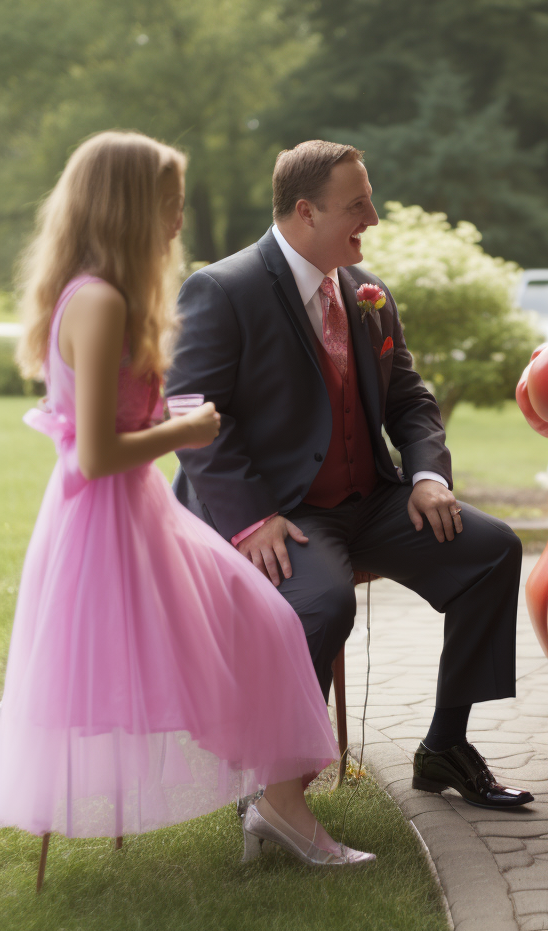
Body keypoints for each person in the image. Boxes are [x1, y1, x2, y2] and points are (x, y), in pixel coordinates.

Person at [0, 130, 374, 871]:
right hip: (108, 525)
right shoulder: (100, 303)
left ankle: (278, 805)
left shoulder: (101, 294)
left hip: (138, 514)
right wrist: (187, 428)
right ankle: (282, 808)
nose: (179, 219)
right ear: (129, 207)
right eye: (170, 203)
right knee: (266, 629)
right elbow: (96, 452)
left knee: (268, 624)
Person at [165, 140, 532, 809]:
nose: (374, 217)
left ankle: (445, 746)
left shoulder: (369, 293)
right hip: (285, 511)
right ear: (306, 211)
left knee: (493, 551)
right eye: (357, 205)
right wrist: (250, 518)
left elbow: (411, 402)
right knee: (323, 603)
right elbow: (192, 413)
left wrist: (428, 479)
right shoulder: (224, 289)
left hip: (374, 500)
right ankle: (275, 791)